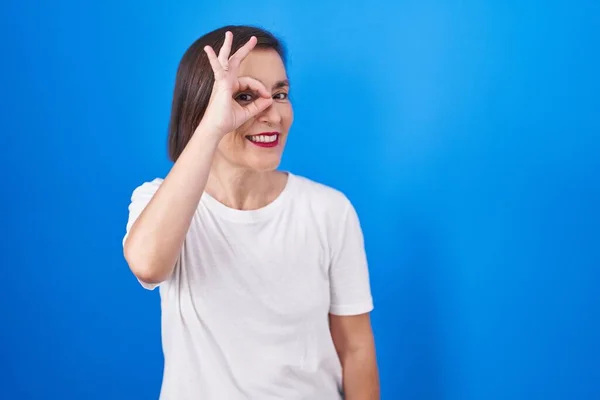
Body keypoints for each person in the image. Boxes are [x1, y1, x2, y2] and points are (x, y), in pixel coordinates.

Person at [123, 24, 379, 399]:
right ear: (203, 109)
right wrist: (212, 127)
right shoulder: (160, 201)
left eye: (280, 94)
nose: (272, 114)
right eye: (244, 96)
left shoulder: (329, 211)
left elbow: (355, 349)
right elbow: (148, 265)